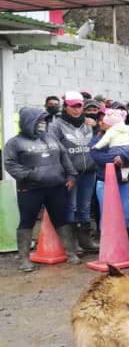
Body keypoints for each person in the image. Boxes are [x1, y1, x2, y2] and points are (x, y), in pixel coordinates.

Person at [4, 107, 81, 271]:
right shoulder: (14, 142)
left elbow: (64, 156)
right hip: (30, 189)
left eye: (44, 120)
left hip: (57, 187)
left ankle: (70, 254)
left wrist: (71, 175)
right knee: (27, 221)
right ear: (28, 122)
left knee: (61, 219)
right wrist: (32, 175)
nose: (42, 123)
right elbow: (10, 164)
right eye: (39, 120)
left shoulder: (51, 137)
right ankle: (24, 260)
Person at [48, 90, 100, 252]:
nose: (76, 109)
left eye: (79, 106)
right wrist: (67, 172)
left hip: (89, 172)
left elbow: (99, 142)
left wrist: (97, 126)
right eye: (72, 106)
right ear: (65, 106)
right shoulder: (56, 125)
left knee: (84, 206)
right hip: (70, 173)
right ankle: (71, 244)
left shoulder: (89, 123)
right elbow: (54, 150)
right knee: (71, 207)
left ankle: (85, 241)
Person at [89, 109, 129, 255]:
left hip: (125, 182)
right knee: (107, 214)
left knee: (128, 213)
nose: (103, 122)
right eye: (100, 120)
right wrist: (116, 159)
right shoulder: (98, 137)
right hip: (104, 181)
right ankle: (109, 245)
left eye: (105, 119)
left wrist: (123, 157)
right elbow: (95, 155)